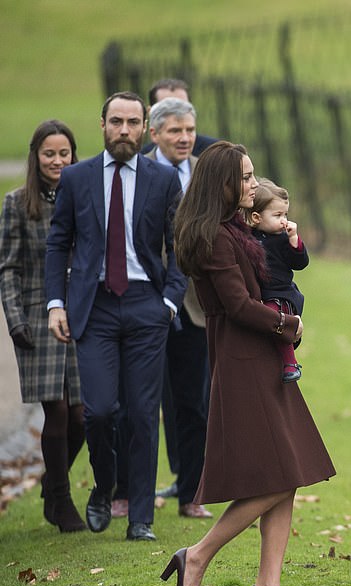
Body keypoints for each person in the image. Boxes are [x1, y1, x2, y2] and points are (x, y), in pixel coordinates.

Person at [160, 141, 335, 586]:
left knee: (288, 470)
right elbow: (237, 305)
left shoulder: (235, 227)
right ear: (223, 184)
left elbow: (280, 267)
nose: (254, 184)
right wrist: (286, 323)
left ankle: (268, 583)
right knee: (283, 471)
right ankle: (196, 556)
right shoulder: (214, 237)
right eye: (246, 177)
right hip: (243, 357)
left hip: (264, 352)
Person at [45, 91, 187, 541]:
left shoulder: (163, 180)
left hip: (147, 304)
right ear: (102, 125)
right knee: (100, 411)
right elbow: (58, 243)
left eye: (132, 123)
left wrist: (169, 300)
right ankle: (104, 487)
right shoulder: (77, 178)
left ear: (145, 128)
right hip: (95, 308)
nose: (123, 130)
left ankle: (142, 517)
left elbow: (179, 245)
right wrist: (55, 303)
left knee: (144, 414)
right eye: (115, 122)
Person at [112, 96, 212, 520]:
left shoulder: (206, 175)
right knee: (135, 402)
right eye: (175, 131)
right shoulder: (139, 174)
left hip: (194, 305)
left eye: (189, 130)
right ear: (154, 134)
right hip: (145, 301)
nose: (185, 138)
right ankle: (127, 493)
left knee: (194, 402)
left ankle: (192, 494)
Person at [0, 120, 85, 533]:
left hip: (81, 316)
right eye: (48, 153)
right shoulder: (16, 203)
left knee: (84, 415)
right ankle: (62, 501)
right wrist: (15, 321)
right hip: (35, 317)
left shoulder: (83, 198)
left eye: (63, 153)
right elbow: (8, 268)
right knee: (57, 410)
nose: (56, 160)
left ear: (73, 155)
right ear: (36, 156)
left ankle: (52, 483)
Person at [246, 177, 308, 382]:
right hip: (261, 291)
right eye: (278, 215)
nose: (284, 220)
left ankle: (290, 362)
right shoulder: (248, 237)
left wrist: (294, 241)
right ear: (256, 217)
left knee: (276, 319)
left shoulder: (283, 239)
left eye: (286, 214)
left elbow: (300, 263)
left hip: (280, 293)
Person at [142, 78, 217, 158]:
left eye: (183, 107)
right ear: (151, 112)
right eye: (167, 107)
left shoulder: (215, 153)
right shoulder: (139, 160)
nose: (178, 112)